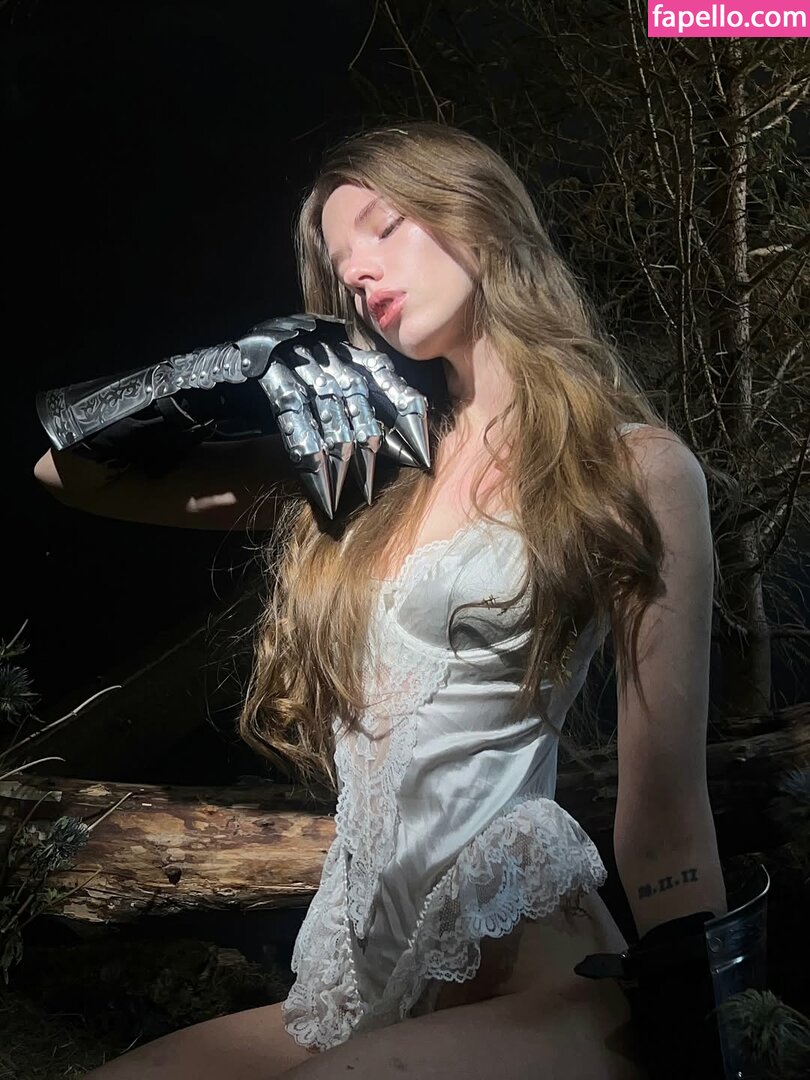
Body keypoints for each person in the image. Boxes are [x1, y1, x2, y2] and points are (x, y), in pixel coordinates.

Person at [35, 122, 733, 1079]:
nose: (358, 272)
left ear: (479, 218)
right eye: (339, 263)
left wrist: (712, 1034)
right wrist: (222, 374)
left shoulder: (631, 467)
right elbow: (66, 471)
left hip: (526, 960)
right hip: (359, 974)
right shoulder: (363, 471)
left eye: (385, 227)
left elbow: (664, 810)